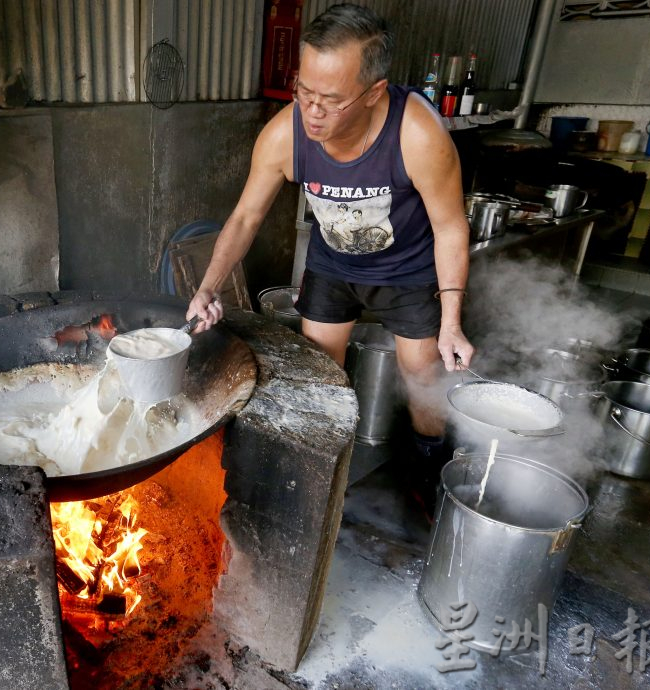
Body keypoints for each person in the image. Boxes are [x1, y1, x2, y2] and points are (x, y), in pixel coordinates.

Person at [185, 4, 475, 514]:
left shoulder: (418, 135)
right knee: (320, 377)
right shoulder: (285, 134)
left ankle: (429, 475)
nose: (312, 112)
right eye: (305, 92)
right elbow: (246, 217)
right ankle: (319, 480)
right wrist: (208, 287)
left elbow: (450, 225)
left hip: (408, 269)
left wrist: (451, 320)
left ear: (373, 92)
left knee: (422, 376)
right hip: (333, 265)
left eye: (331, 100)